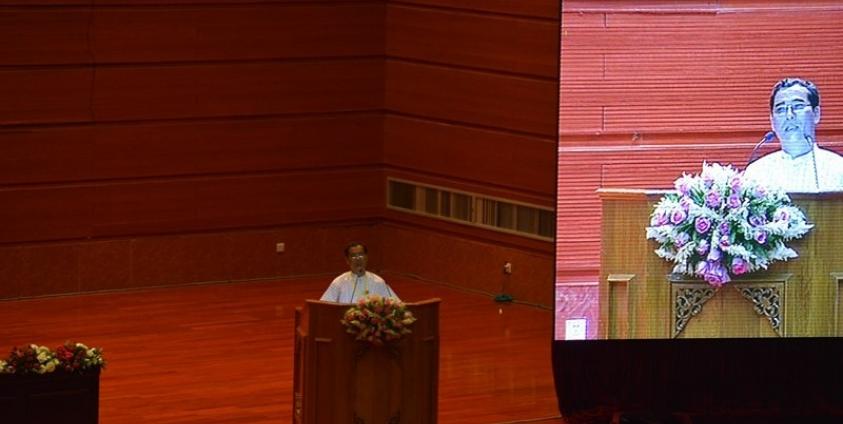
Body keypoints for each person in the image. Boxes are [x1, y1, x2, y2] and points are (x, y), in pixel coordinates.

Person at [744, 78, 843, 192]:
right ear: (772, 121)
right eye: (781, 109)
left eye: (798, 106)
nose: (789, 115)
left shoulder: (838, 168)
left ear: (816, 114)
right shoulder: (756, 173)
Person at [319, 242, 399, 303]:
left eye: (361, 255)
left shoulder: (378, 281)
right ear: (347, 260)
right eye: (353, 256)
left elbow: (396, 304)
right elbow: (325, 305)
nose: (358, 259)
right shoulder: (339, 282)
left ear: (366, 258)